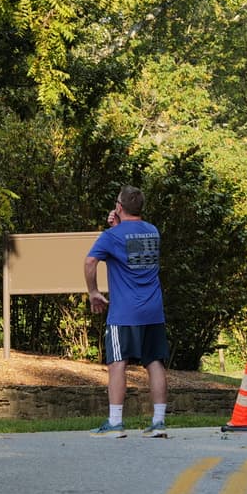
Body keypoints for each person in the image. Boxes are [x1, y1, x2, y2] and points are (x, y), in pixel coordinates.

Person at [84, 185, 169, 439]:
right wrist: (116, 223)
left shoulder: (112, 236)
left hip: (124, 313)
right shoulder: (153, 232)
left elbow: (90, 261)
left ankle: (116, 422)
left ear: (119, 207)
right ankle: (158, 422)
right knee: (154, 362)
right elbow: (131, 248)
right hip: (153, 311)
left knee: (117, 363)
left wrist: (93, 292)